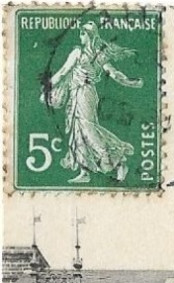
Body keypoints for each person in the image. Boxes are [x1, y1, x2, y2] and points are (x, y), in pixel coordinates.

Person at [42, 21, 143, 184]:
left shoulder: (78, 52)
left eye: (82, 33)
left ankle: (116, 162)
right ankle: (85, 171)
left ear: (89, 35)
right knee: (78, 130)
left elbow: (62, 72)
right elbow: (114, 73)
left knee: (87, 128)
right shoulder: (99, 54)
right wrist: (130, 82)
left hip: (84, 93)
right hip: (80, 93)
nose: (80, 36)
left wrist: (46, 88)